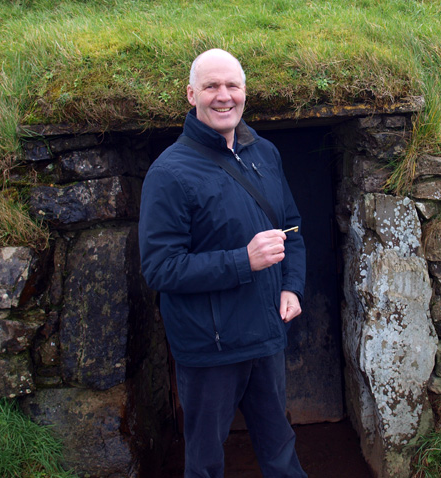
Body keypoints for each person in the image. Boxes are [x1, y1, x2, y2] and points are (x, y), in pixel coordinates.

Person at [138, 48, 307, 478]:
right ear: (191, 94)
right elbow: (160, 268)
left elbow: (292, 228)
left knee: (281, 451)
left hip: (266, 332)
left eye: (232, 85)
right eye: (211, 86)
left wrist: (292, 286)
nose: (223, 96)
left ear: (244, 92)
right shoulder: (169, 173)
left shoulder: (264, 153)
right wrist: (242, 261)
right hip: (209, 346)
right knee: (206, 462)